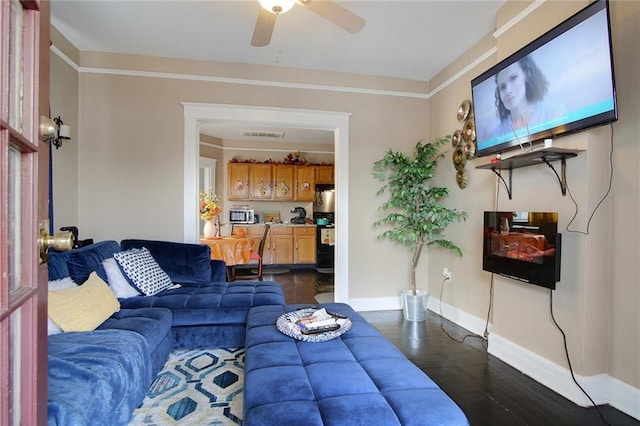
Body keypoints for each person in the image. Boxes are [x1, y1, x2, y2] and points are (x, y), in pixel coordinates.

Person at [492, 56, 563, 138]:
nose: (508, 91)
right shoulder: (497, 135)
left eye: (514, 78)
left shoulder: (554, 112)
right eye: (502, 87)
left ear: (526, 75)